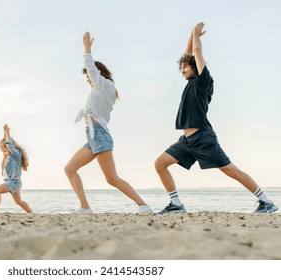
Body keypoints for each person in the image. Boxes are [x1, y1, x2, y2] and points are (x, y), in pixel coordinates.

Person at [154, 22, 278, 214]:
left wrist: (196, 34)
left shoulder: (203, 82)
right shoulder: (190, 82)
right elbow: (188, 52)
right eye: (182, 68)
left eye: (186, 67)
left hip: (203, 139)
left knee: (231, 171)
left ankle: (266, 202)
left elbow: (195, 51)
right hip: (186, 141)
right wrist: (191, 33)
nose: (183, 70)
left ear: (195, 66)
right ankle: (176, 205)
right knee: (160, 163)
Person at [64, 32, 152, 214]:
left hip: (99, 133)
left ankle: (143, 205)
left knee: (112, 179)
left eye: (88, 77)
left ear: (97, 74)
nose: (88, 79)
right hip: (92, 135)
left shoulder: (104, 86)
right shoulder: (101, 89)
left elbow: (90, 67)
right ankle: (85, 207)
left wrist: (87, 48)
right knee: (70, 168)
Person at [0, 124, 32, 213]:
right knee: (19, 202)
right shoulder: (9, 155)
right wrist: (4, 134)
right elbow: (6, 143)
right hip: (13, 183)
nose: (4, 153)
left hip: (14, 182)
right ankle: (31, 214)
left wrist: (7, 132)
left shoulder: (16, 154)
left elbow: (9, 144)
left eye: (5, 151)